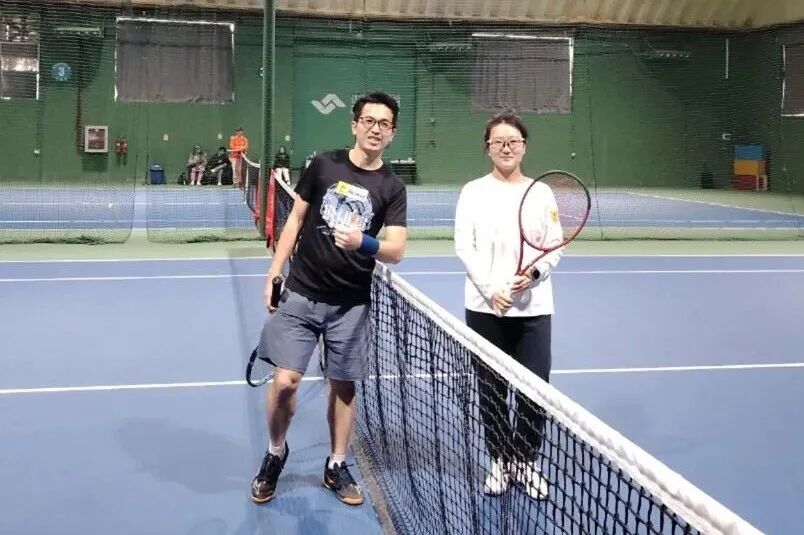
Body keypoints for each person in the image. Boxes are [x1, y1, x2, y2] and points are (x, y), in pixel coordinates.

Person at [251, 92, 407, 506]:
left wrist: (363, 242)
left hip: (351, 303)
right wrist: (274, 271)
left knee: (344, 387)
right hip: (302, 292)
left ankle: (336, 464)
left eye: (384, 124)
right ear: (354, 125)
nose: (376, 129)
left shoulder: (392, 188)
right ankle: (275, 452)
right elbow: (296, 219)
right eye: (369, 120)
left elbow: (396, 250)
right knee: (285, 382)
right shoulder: (323, 165)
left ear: (392, 134)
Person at [454, 112, 563, 501]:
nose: (505, 147)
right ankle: (501, 459)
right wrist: (490, 289)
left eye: (513, 141)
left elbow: (554, 245)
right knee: (491, 390)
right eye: (498, 141)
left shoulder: (541, 193)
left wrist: (534, 274)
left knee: (534, 389)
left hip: (533, 310)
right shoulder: (473, 192)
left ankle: (525, 460)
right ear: (488, 148)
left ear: (524, 147)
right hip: (485, 310)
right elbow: (464, 245)